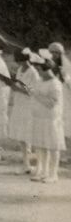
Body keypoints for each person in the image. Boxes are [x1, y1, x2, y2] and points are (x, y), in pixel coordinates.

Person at [28, 49, 64, 184]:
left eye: (38, 69)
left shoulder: (55, 83)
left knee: (53, 146)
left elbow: (51, 103)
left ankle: (53, 174)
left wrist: (36, 95)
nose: (37, 72)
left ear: (45, 69)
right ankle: (43, 171)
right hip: (39, 118)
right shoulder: (40, 81)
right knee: (40, 145)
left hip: (51, 120)